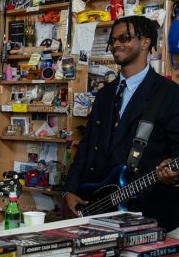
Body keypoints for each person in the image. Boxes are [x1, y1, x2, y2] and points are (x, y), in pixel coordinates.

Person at [63, 16, 179, 229]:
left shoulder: (169, 94)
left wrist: (172, 174)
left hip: (149, 214)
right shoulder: (105, 94)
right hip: (98, 208)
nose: (116, 44)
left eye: (124, 38)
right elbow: (87, 146)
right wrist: (70, 190)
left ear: (145, 42)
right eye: (113, 40)